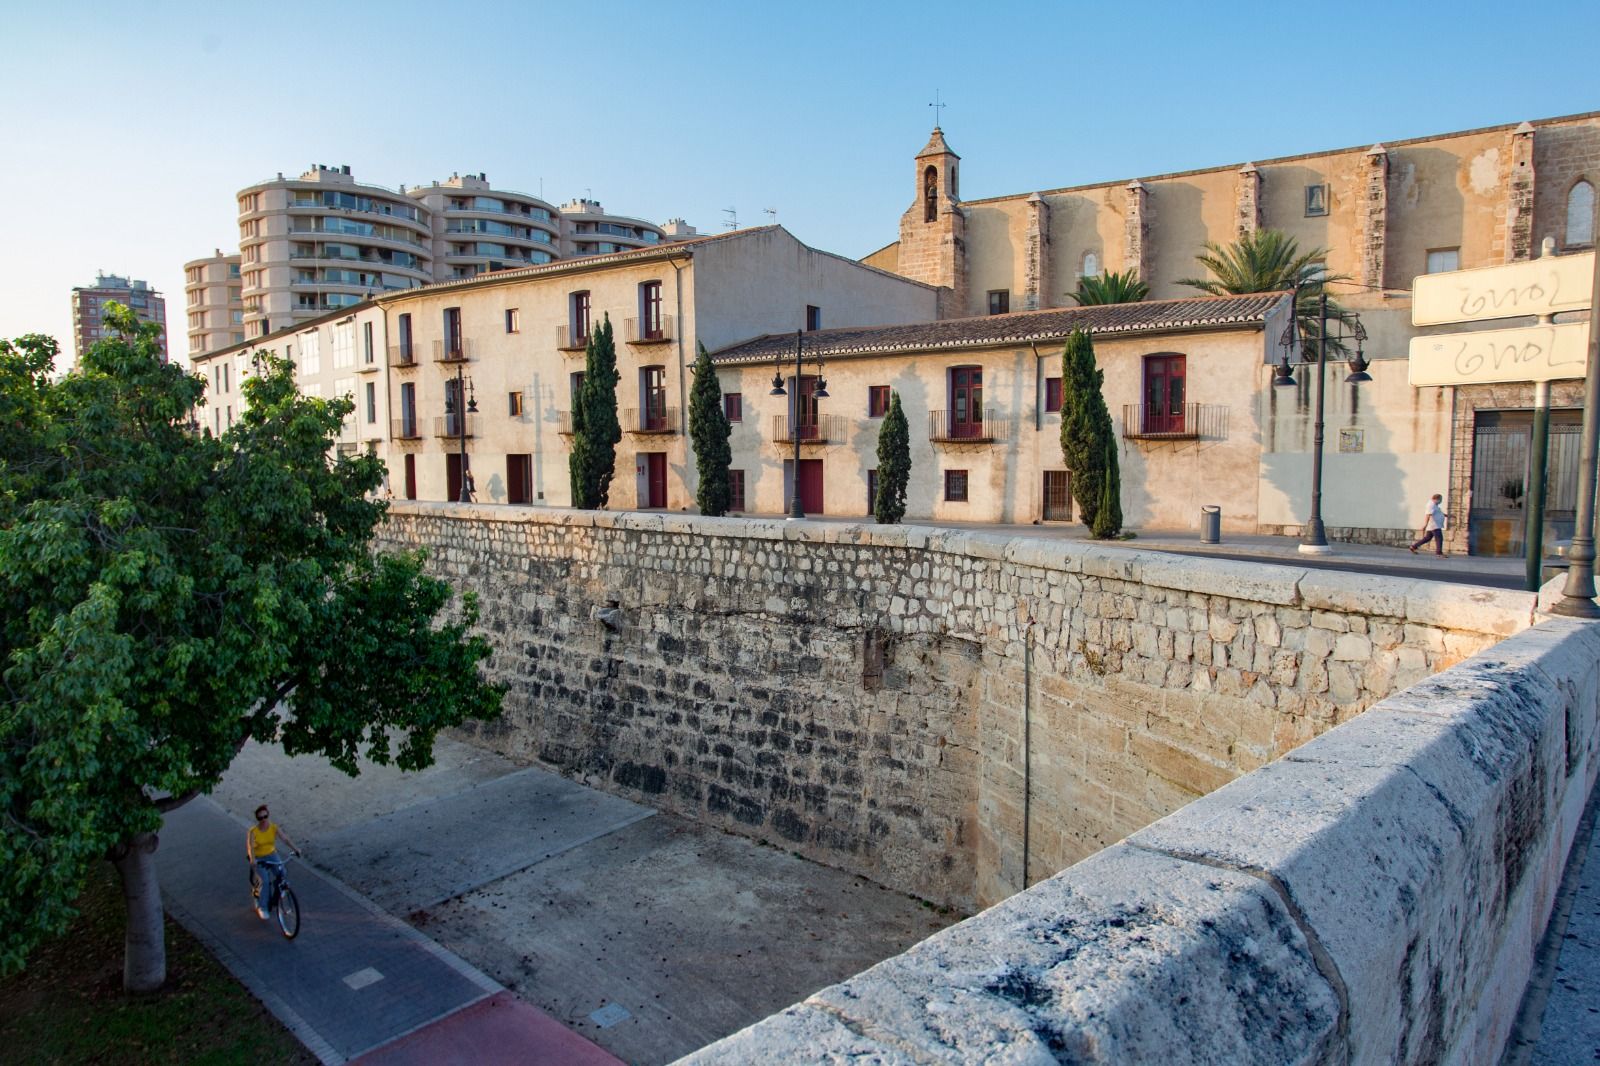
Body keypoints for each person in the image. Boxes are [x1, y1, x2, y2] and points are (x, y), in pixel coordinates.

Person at [247, 804, 301, 920]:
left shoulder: (273, 828)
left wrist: (295, 849)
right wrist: (253, 860)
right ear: (258, 819)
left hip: (272, 855)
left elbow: (285, 839)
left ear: (268, 815)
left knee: (282, 873)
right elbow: (250, 847)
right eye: (260, 818)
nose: (263, 820)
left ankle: (280, 890)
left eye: (265, 816)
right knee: (265, 882)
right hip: (260, 858)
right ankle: (262, 907)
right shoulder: (253, 832)